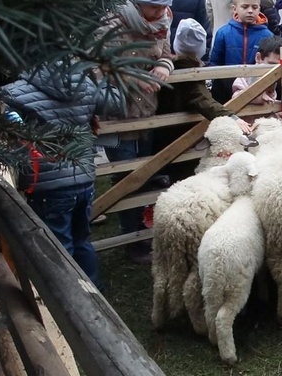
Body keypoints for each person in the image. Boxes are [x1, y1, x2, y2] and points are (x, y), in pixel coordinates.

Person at [0, 65, 123, 289]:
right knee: (82, 240)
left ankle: (72, 305)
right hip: (84, 179)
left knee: (59, 248)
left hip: (49, 185)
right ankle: (95, 293)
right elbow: (114, 102)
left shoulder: (17, 91)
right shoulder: (84, 84)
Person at [97, 0, 175, 265]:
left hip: (147, 113)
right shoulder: (113, 25)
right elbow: (100, 64)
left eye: (163, 7)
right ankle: (130, 238)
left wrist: (164, 65)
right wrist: (132, 78)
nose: (161, 12)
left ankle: (141, 233)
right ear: (139, 5)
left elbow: (166, 52)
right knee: (126, 177)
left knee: (145, 173)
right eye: (154, 7)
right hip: (120, 115)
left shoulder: (162, 23)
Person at [156, 18, 252, 182]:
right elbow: (202, 98)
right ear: (201, 47)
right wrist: (231, 117)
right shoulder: (187, 71)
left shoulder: (170, 66)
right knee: (183, 176)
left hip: (168, 136)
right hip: (180, 139)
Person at [209, 0, 274, 104]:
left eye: (254, 7)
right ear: (235, 9)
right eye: (245, 7)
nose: (250, 11)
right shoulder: (223, 33)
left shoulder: (267, 36)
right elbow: (215, 63)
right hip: (225, 89)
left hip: (256, 89)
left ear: (259, 9)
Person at [232, 36, 282, 123]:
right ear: (258, 58)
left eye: (279, 66)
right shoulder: (245, 79)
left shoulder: (278, 79)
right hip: (246, 125)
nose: (276, 70)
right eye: (271, 64)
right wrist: (259, 97)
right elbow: (237, 97)